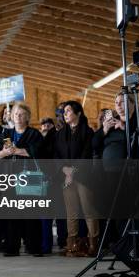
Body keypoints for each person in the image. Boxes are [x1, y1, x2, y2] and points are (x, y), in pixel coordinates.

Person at [0, 102, 43, 256]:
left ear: (27, 117)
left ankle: (34, 247)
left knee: (31, 213)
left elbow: (39, 151)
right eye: (15, 114)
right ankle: (12, 247)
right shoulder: (5, 135)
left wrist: (18, 150)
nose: (18, 116)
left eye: (21, 114)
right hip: (10, 178)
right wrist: (4, 153)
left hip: (29, 177)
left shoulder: (34, 134)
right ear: (11, 116)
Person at [55, 101, 97, 257]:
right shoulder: (60, 134)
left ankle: (93, 244)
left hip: (84, 177)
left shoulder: (88, 132)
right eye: (64, 112)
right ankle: (71, 244)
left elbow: (86, 155)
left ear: (78, 113)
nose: (65, 114)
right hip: (66, 178)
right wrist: (65, 170)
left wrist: (72, 171)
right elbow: (57, 156)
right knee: (71, 212)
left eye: (68, 111)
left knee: (88, 211)